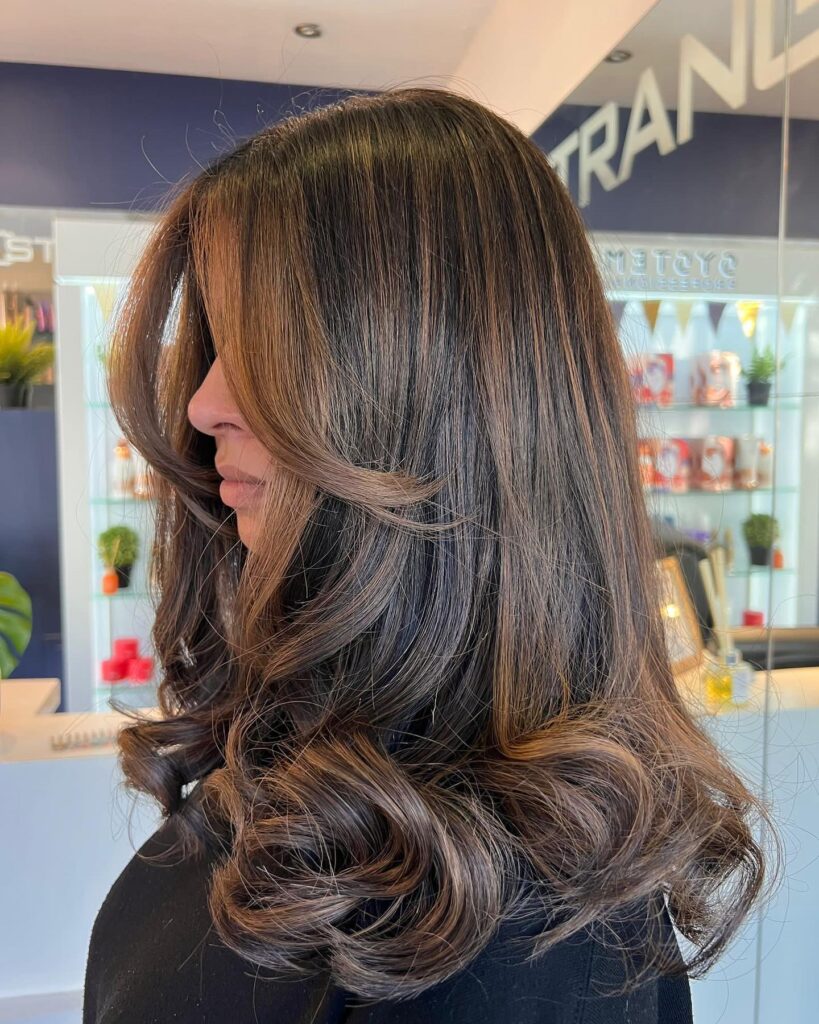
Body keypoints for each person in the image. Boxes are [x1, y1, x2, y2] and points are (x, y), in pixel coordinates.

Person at [83, 87, 778, 1023]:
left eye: (263, 350)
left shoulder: (508, 936)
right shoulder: (314, 756)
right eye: (217, 343)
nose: (204, 406)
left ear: (424, 395)